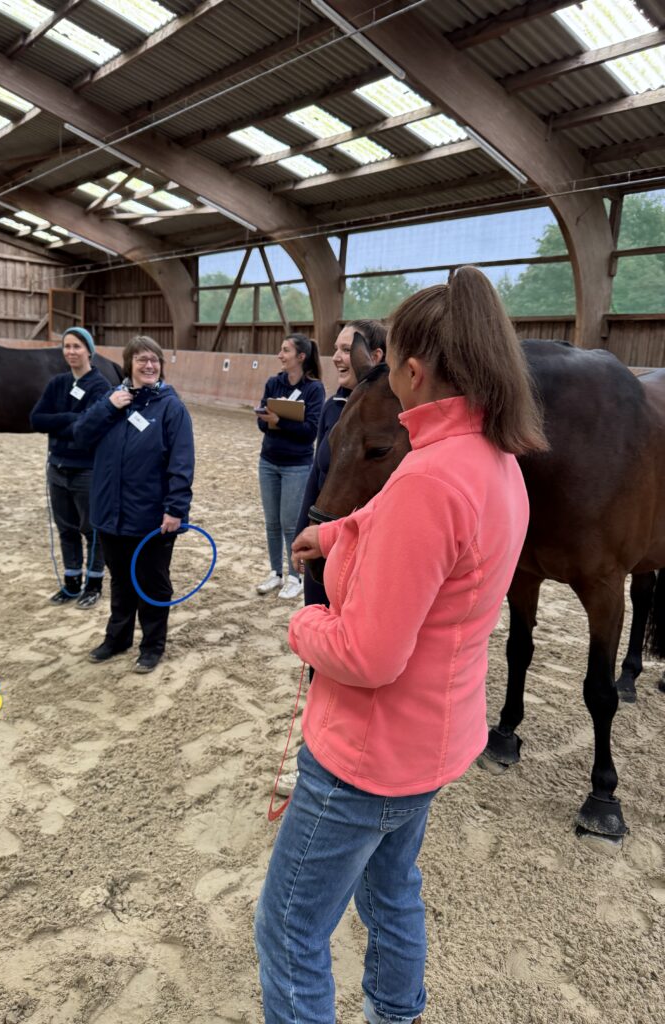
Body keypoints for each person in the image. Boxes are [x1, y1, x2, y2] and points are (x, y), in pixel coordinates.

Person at [254, 267, 548, 1024]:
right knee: (390, 894)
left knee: (288, 930)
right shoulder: (494, 460)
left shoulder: (430, 478)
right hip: (430, 743)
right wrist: (339, 528)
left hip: (365, 754)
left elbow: (371, 653)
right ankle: (396, 1014)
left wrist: (300, 628)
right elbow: (412, 533)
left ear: (413, 371)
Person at [72, 336, 194, 673]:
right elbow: (81, 436)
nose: (149, 365)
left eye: (154, 359)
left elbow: (181, 464)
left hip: (152, 517)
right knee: (121, 581)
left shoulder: (172, 407)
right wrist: (108, 406)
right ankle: (118, 638)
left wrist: (175, 509)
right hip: (111, 514)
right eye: (141, 359)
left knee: (153, 583)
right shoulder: (111, 401)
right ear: (130, 365)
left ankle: (152, 646)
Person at [295, 319, 386, 609]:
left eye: (346, 350)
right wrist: (302, 531)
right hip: (322, 535)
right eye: (336, 349)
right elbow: (317, 475)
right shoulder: (332, 406)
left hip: (360, 547)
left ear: (375, 357)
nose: (335, 357)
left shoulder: (391, 421)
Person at [30, 326, 110, 608]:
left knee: (92, 529)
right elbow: (37, 420)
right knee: (65, 529)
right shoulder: (57, 384)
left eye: (77, 346)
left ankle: (94, 583)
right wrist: (70, 419)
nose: (71, 351)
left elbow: (87, 428)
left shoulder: (100, 386)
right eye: (67, 346)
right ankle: (72, 583)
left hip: (86, 470)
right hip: (57, 468)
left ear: (89, 350)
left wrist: (63, 422)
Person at [255, 334, 324, 601]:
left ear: (301, 357)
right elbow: (261, 423)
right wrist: (271, 421)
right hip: (268, 461)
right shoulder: (274, 383)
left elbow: (309, 432)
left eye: (285, 351)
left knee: (289, 524)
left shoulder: (313, 389)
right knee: (272, 522)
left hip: (296, 466)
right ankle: (276, 572)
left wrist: (278, 421)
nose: (280, 355)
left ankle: (295, 576)